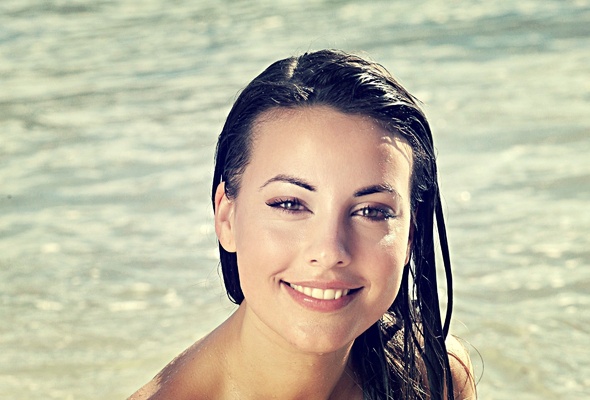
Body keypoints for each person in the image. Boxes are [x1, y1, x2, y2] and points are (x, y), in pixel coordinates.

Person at [129, 49, 476, 400]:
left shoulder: (432, 373)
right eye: (290, 204)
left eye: (371, 211)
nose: (329, 252)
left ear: (409, 237)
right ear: (227, 217)